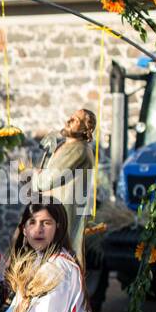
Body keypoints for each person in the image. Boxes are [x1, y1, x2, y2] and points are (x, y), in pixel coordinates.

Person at [32, 108, 96, 257]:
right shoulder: (64, 145)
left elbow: (47, 181)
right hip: (51, 211)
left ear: (87, 129)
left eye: (75, 120)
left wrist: (37, 177)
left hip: (62, 216)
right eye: (70, 117)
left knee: (60, 259)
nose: (68, 121)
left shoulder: (79, 150)